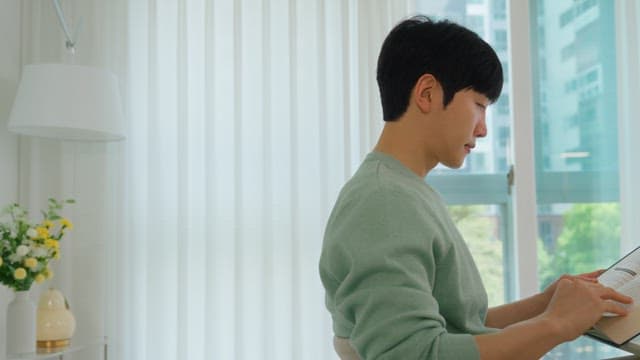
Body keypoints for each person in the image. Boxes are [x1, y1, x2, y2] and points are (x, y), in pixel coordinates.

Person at [318, 16, 632, 360]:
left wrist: (547, 302)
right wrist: (555, 324)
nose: (482, 129)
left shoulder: (404, 191)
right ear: (427, 93)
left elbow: (461, 326)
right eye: (480, 105)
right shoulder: (382, 203)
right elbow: (414, 353)